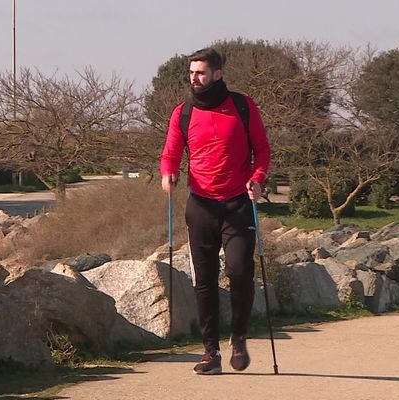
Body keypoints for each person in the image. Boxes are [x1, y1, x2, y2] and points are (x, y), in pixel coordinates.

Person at [160, 47, 270, 375]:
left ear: (217, 74)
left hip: (238, 203)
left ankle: (238, 337)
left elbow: (262, 150)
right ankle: (211, 353)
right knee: (203, 281)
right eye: (191, 73)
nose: (194, 78)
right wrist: (169, 173)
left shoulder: (242, 106)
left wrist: (258, 178)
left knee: (239, 271)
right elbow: (170, 153)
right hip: (201, 205)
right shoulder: (183, 112)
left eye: (201, 73)